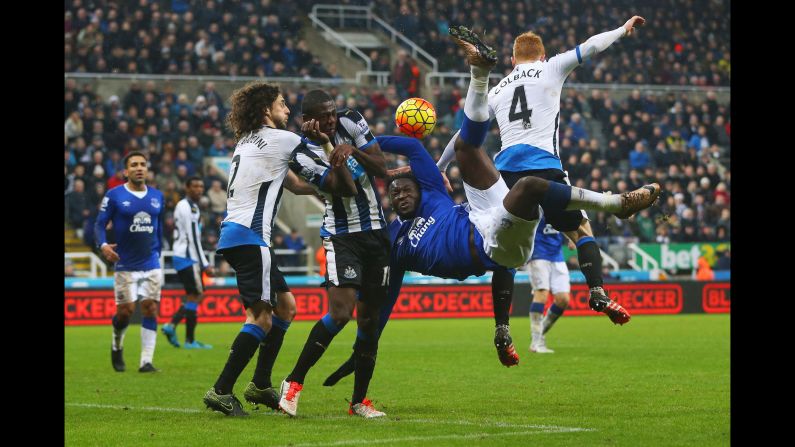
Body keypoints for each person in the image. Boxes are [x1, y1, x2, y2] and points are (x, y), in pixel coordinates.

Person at [323, 37, 658, 387]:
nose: (400, 194)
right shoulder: (394, 238)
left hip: (486, 205)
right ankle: (613, 206)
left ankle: (478, 72)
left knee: (470, 147)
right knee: (532, 191)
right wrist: (367, 342)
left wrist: (368, 148)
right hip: (496, 242)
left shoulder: (435, 193)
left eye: (406, 187)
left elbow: (427, 144)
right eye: (395, 193)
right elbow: (386, 297)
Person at [437, 20, 646, 326]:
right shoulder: (552, 68)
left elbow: (463, 135)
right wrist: (622, 30)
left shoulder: (497, 89)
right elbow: (591, 45)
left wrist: (440, 166)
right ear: (543, 55)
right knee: (580, 233)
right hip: (545, 168)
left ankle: (502, 328)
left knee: (505, 250)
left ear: (511, 60)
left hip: (506, 177)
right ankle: (597, 290)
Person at [201, 82, 315, 417]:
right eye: (282, 104)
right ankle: (221, 390)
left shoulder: (247, 141)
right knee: (262, 318)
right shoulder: (281, 139)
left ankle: (260, 384)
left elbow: (292, 183)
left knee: (286, 307)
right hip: (251, 237)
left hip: (240, 236)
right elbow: (321, 155)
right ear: (267, 109)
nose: (289, 110)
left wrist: (325, 195)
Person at [279, 89, 390, 419]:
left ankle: (359, 402)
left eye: (332, 112)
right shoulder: (300, 156)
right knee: (341, 313)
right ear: (307, 120)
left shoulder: (351, 120)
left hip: (375, 233)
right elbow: (347, 188)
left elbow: (381, 167)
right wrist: (331, 148)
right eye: (323, 116)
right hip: (342, 237)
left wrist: (351, 148)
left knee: (369, 321)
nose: (330, 119)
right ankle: (293, 383)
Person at [94, 151, 165, 373]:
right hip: (125, 264)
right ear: (126, 171)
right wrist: (103, 246)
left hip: (151, 262)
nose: (139, 168)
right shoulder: (114, 195)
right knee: (125, 311)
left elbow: (159, 226)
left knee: (150, 308)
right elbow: (99, 224)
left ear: (147, 169)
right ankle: (117, 344)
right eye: (134, 165)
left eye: (142, 164)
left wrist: (159, 251)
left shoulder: (157, 196)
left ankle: (146, 361)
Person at [161, 176, 214, 349]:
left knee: (194, 295)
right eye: (195, 186)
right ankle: (189, 340)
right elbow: (193, 238)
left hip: (183, 255)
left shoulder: (186, 206)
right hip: (187, 256)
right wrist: (205, 263)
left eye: (201, 186)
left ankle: (172, 326)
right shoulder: (189, 207)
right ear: (187, 188)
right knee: (197, 295)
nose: (199, 189)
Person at [527, 216, 574, 354]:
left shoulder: (558, 201)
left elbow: (564, 221)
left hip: (557, 255)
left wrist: (571, 237)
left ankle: (539, 333)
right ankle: (536, 343)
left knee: (563, 299)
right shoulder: (535, 202)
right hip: (538, 253)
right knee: (541, 294)